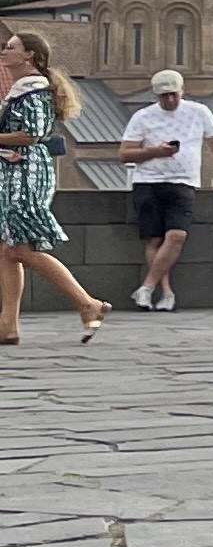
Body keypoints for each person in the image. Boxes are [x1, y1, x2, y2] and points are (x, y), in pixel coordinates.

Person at [0, 27, 110, 343]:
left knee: (19, 248)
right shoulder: (24, 90)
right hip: (15, 172)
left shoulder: (34, 91)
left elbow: (32, 134)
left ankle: (87, 303)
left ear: (29, 55)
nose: (4, 51)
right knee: (7, 251)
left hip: (27, 173)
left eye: (11, 47)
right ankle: (8, 326)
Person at [115, 66, 213, 312]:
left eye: (173, 94)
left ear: (183, 91)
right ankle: (165, 293)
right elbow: (124, 154)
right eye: (164, 96)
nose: (170, 100)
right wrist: (156, 151)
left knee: (176, 235)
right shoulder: (143, 117)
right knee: (154, 239)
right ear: (156, 95)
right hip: (148, 181)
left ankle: (147, 287)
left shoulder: (199, 112)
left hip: (183, 181)